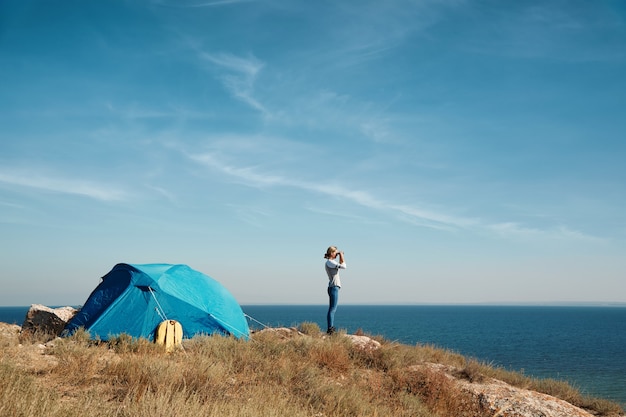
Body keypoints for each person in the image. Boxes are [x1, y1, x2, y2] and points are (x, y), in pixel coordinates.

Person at [324, 246, 346, 335]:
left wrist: (340, 256)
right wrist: (341, 255)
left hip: (333, 287)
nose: (337, 254)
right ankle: (330, 329)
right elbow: (344, 266)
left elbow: (341, 264)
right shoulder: (329, 262)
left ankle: (331, 328)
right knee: (332, 309)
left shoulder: (332, 262)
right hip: (333, 287)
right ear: (332, 253)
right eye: (335, 253)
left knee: (333, 309)